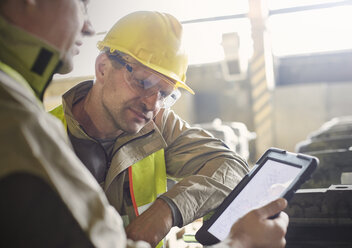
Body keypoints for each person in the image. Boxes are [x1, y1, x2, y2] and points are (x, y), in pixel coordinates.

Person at [0, 0, 288, 247]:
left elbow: (232, 167)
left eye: (164, 94)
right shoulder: (37, 133)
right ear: (102, 68)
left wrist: (167, 210)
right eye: (142, 82)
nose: (152, 104)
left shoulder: (159, 125)